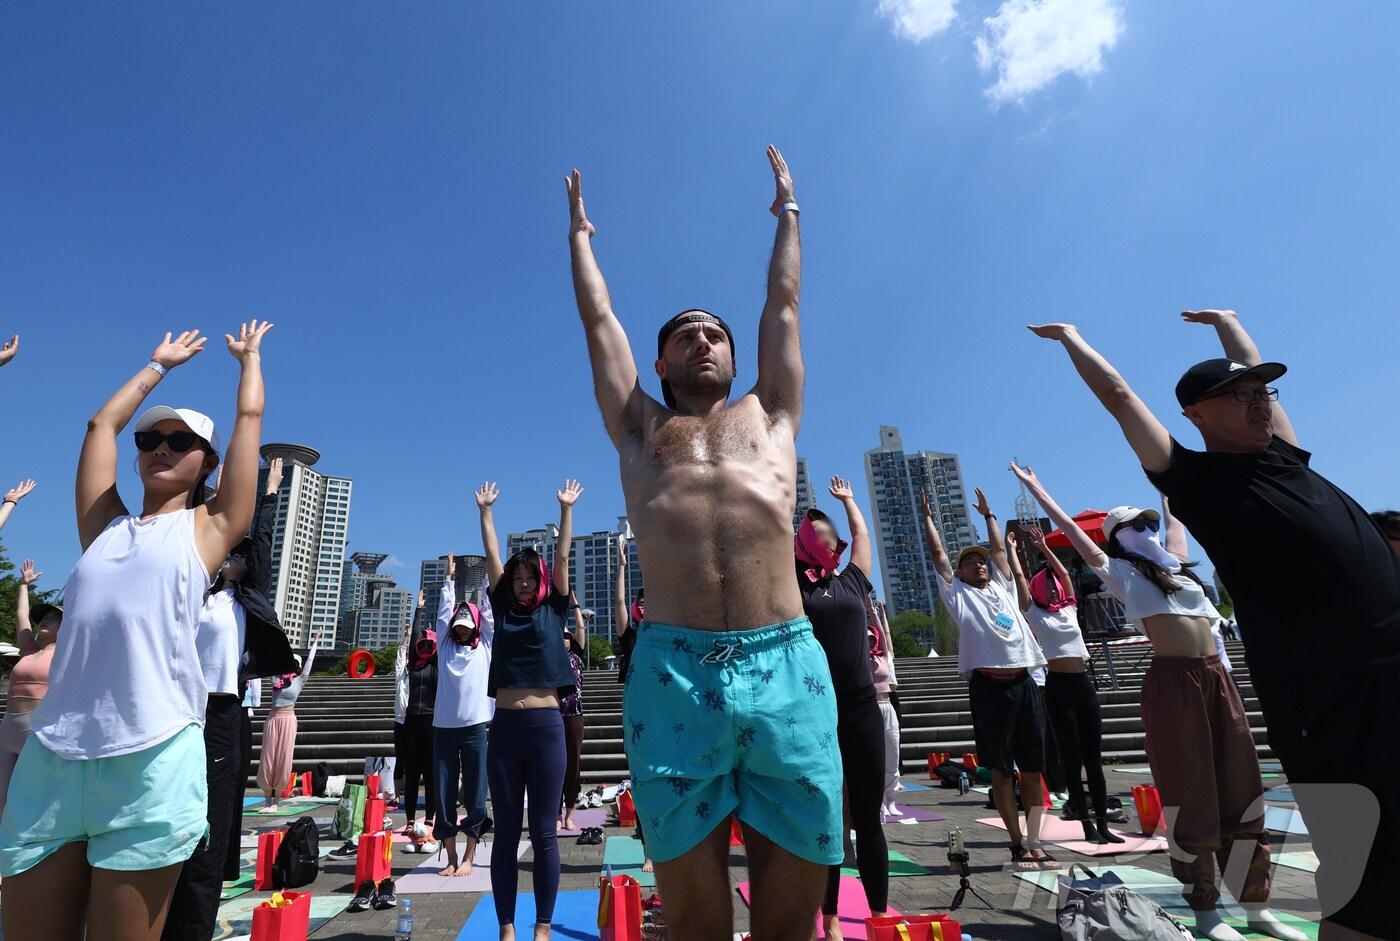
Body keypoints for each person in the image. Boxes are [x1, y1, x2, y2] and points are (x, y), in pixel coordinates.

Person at [1030, 311, 1399, 940]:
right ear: (1196, 414)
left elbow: (1254, 361)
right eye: (1241, 396)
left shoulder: (1284, 454)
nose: (1260, 406)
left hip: (1387, 672)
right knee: (1362, 866)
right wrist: (1072, 339)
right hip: (1328, 691)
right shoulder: (1198, 481)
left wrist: (1229, 326)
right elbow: (1120, 398)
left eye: (1264, 394)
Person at [568, 146, 842, 940]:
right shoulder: (641, 429)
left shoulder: (773, 414)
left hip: (785, 661)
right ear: (660, 362)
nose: (701, 340)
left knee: (789, 921)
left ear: (733, 353)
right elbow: (598, 321)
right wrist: (581, 238)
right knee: (693, 921)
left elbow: (783, 300)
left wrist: (789, 210)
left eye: (713, 332)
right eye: (684, 334)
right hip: (673, 670)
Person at [0, 323, 273, 941]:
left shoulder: (209, 530)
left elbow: (250, 416)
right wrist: (157, 367)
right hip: (55, 755)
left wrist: (248, 361)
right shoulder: (104, 528)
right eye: (151, 438)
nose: (161, 448)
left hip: (151, 759)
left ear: (209, 463)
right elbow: (101, 427)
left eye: (181, 441)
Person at [1012, 461, 1301, 941]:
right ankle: (1206, 910)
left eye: (1149, 523)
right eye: (1136, 525)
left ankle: (1256, 905)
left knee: (1242, 788)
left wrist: (1167, 495)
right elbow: (1071, 532)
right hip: (1173, 682)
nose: (1148, 530)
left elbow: (1177, 524)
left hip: (1217, 678)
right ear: (1117, 536)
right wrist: (1038, 488)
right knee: (1190, 794)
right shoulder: (1120, 572)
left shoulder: (1178, 568)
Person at [167, 456, 297, 941]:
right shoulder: (194, 592)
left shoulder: (245, 597)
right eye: (224, 553)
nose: (230, 558)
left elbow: (259, 541)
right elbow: (193, 531)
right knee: (170, 819)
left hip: (222, 711)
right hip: (177, 708)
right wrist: (208, 487)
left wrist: (268, 495)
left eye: (235, 555)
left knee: (210, 825)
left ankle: (193, 926)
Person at [920, 486, 1052, 870]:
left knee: (1032, 767)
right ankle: (1015, 841)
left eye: (981, 561)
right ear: (960, 573)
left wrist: (989, 516)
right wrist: (928, 518)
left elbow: (999, 553)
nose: (979, 565)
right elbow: (938, 555)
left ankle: (1035, 840)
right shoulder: (957, 594)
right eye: (970, 563)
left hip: (1024, 682)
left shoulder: (1003, 587)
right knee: (1000, 769)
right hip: (989, 688)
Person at [478, 479, 582, 941]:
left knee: (542, 833)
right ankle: (506, 927)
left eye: (529, 579)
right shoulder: (502, 609)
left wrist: (565, 511)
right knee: (505, 833)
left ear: (541, 582)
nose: (522, 585)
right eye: (517, 579)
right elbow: (492, 559)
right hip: (504, 728)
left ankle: (542, 926)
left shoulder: (554, 609)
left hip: (545, 726)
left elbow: (561, 558)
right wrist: (486, 515)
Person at [795, 476, 889, 938]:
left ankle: (879, 913)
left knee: (868, 818)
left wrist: (850, 502)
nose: (827, 537)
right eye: (817, 533)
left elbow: (865, 539)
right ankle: (828, 918)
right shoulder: (794, 586)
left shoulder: (852, 580)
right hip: (817, 714)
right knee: (828, 820)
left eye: (831, 532)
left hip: (862, 708)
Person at [1017, 525, 1120, 844]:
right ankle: (1086, 825)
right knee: (1072, 758)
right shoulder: (1034, 613)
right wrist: (1013, 555)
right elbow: (1020, 583)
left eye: (1053, 585)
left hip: (1083, 684)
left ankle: (1103, 823)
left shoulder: (1070, 607)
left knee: (1094, 758)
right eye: (1045, 585)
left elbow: (1062, 572)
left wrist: (1044, 547)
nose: (1051, 588)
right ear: (1037, 589)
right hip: (1058, 686)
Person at [429, 554, 495, 877]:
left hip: (475, 729)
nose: (463, 631)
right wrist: (448, 580)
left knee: (476, 792)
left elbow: (490, 615)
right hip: (444, 728)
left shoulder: (485, 646)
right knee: (442, 793)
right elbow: (442, 617)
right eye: (459, 627)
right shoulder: (445, 647)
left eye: (468, 627)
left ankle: (469, 855)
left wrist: (485, 585)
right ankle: (451, 857)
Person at [0, 560, 62, 819]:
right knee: (2, 797)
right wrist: (23, 585)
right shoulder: (29, 651)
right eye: (44, 617)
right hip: (8, 726)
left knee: (34, 797)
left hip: (37, 729)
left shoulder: (68, 653)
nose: (45, 620)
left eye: (53, 617)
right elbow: (22, 617)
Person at [611, 536, 653, 872]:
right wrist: (623, 567)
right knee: (639, 777)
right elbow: (620, 602)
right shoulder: (631, 635)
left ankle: (664, 845)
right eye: (642, 601)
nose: (645, 604)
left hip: (665, 709)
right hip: (637, 709)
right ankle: (648, 847)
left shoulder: (666, 631)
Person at [257, 637, 319, 813]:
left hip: (288, 719)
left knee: (283, 758)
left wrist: (314, 643)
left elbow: (310, 662)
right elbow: (271, 658)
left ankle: (276, 800)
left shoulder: (299, 681)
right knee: (267, 757)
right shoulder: (276, 679)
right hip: (272, 718)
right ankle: (267, 799)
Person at [401, 577, 440, 842]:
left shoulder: (436, 664)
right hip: (411, 721)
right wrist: (418, 609)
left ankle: (429, 818)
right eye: (422, 644)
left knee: (432, 773)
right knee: (411, 773)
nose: (424, 647)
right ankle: (410, 819)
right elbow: (416, 634)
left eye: (429, 644)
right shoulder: (413, 663)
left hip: (431, 722)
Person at [867, 598, 901, 817]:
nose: (870, 642)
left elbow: (883, 635)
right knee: (873, 757)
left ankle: (892, 800)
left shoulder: (884, 657)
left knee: (892, 755)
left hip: (887, 706)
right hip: (869, 708)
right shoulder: (858, 657)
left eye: (872, 639)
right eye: (866, 639)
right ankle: (878, 799)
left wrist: (873, 611)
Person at [559, 597, 587, 835]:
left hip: (575, 715)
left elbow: (580, 627)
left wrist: (575, 606)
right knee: (553, 765)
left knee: (573, 765)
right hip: (554, 715)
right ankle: (556, 813)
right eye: (562, 637)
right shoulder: (551, 658)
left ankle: (569, 814)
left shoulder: (577, 655)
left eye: (567, 637)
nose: (565, 640)